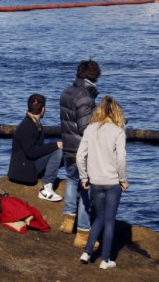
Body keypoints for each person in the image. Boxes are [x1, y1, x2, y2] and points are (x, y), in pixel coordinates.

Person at [76, 96, 129, 270]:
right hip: (113, 181)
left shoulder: (90, 129)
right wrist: (123, 179)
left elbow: (79, 156)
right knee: (110, 220)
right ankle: (105, 260)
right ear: (117, 113)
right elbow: (121, 158)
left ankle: (87, 252)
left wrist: (84, 177)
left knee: (98, 217)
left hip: (95, 181)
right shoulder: (118, 131)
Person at [60, 59, 101, 248]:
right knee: (85, 188)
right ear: (95, 75)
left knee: (71, 179)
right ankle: (83, 234)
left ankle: (68, 221)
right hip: (81, 149)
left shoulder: (67, 91)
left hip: (68, 144)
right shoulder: (86, 97)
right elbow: (85, 127)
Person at [7, 93, 63, 202]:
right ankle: (46, 188)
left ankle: (75, 181)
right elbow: (31, 153)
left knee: (63, 152)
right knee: (57, 152)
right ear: (43, 109)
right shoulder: (26, 126)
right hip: (24, 170)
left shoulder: (35, 124)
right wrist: (54, 145)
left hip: (31, 164)